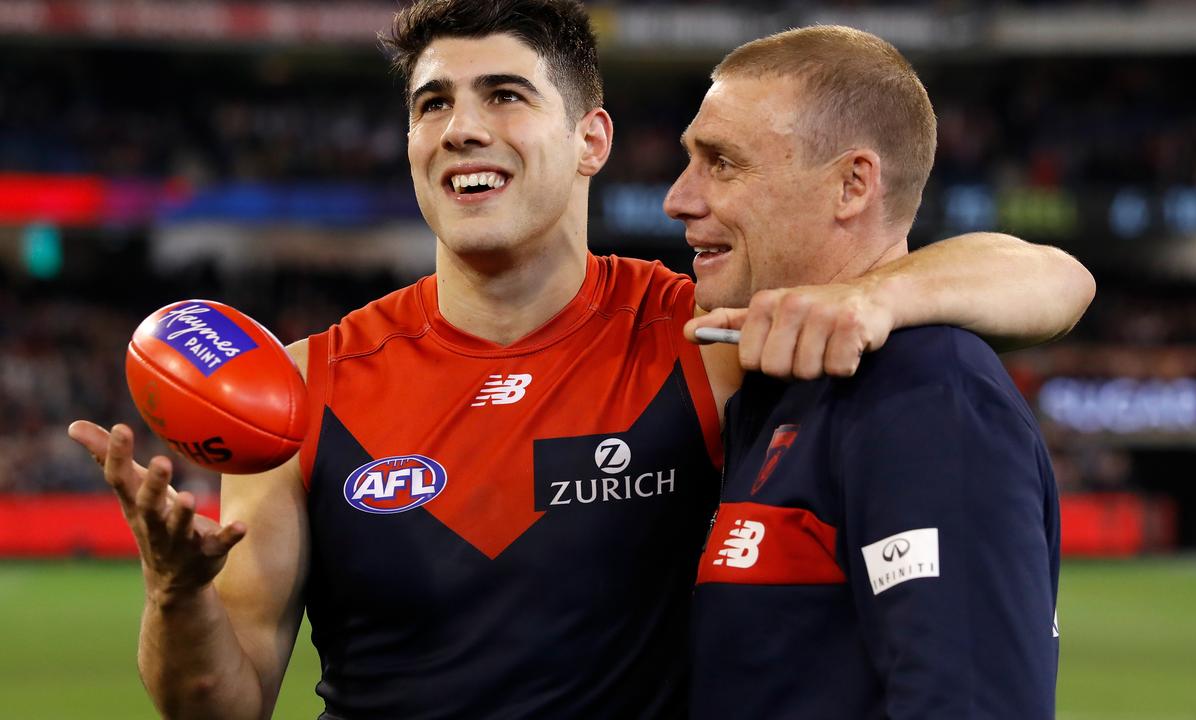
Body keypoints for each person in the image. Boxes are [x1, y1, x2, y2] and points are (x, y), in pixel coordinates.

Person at [68, 2, 1091, 718]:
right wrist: (173, 594)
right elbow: (220, 703)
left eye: (505, 94)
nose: (462, 127)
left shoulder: (700, 337)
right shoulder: (294, 389)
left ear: (590, 137)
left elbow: (1045, 277)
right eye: (431, 103)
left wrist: (870, 298)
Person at [671, 26, 1064, 719]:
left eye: (723, 164)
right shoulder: (779, 385)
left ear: (852, 185)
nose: (679, 198)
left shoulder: (927, 390)